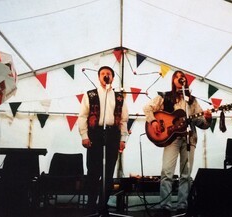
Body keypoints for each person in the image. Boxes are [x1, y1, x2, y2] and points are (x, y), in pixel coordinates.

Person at [143, 70, 212, 216]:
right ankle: (165, 206)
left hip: (189, 138)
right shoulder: (165, 96)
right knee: (167, 172)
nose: (181, 79)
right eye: (177, 77)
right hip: (171, 138)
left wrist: (208, 118)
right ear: (174, 81)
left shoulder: (192, 100)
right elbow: (147, 108)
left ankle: (183, 205)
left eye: (183, 77)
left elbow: (202, 123)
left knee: (186, 174)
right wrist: (154, 121)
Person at [78, 66, 129, 216]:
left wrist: (123, 139)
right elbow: (82, 116)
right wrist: (84, 136)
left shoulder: (119, 97)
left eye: (108, 74)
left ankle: (103, 205)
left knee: (108, 173)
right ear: (99, 77)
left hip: (113, 134)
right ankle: (91, 205)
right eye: (102, 74)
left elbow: (124, 119)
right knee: (93, 172)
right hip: (95, 134)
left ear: (112, 78)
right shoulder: (90, 94)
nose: (105, 76)